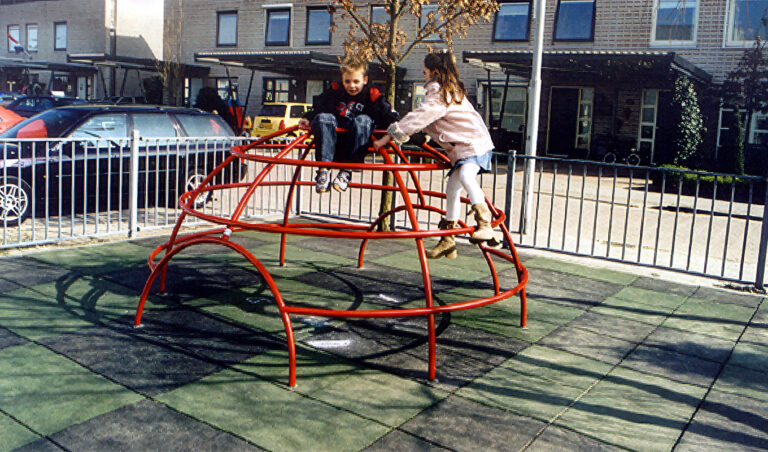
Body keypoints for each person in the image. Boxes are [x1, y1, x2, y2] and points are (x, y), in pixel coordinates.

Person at [373, 51, 496, 259]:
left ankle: (485, 223)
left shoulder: (439, 94)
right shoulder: (449, 92)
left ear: (435, 72)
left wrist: (388, 136)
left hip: (474, 146)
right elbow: (434, 121)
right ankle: (448, 239)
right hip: (465, 148)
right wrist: (422, 136)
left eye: (424, 72)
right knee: (453, 187)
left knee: (466, 176)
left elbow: (420, 116)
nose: (423, 76)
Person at [299, 60, 399, 193]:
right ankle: (323, 170)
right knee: (323, 117)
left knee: (363, 120)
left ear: (365, 80)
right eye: (347, 81)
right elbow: (318, 108)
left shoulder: (372, 95)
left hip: (355, 146)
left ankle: (347, 170)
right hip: (333, 143)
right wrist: (307, 117)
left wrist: (392, 128)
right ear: (342, 79)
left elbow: (388, 113)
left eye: (356, 81)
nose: (351, 86)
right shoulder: (334, 92)